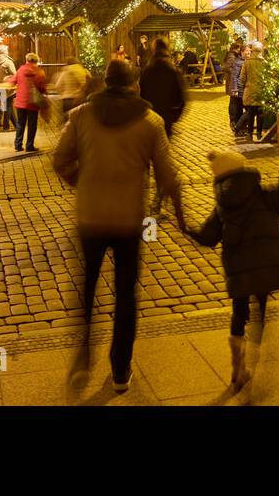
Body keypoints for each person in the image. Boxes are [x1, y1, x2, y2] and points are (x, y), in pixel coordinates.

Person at [52, 60, 183, 394]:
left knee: (87, 287)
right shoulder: (150, 121)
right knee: (126, 295)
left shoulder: (80, 115)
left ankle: (84, 347)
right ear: (133, 85)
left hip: (90, 216)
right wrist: (183, 218)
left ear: (104, 83)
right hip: (128, 220)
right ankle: (121, 367)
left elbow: (59, 160)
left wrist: (81, 181)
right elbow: (169, 176)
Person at [186, 151, 279, 394]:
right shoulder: (263, 195)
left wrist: (187, 229)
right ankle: (254, 359)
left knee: (239, 312)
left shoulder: (222, 206)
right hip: (265, 266)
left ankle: (238, 366)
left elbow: (208, 237)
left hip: (239, 272)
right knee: (260, 310)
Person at [139, 39, 188, 216]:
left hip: (147, 120)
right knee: (162, 163)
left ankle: (145, 203)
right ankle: (157, 203)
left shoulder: (147, 70)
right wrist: (172, 117)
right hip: (165, 122)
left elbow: (140, 95)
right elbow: (182, 99)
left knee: (145, 163)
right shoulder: (172, 70)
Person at [11, 52, 48, 153]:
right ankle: (29, 146)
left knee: (20, 123)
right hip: (33, 102)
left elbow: (12, 81)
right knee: (32, 125)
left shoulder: (20, 70)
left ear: (26, 60)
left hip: (20, 102)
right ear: (36, 61)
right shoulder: (40, 72)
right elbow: (42, 87)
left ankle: (18, 145)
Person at [234, 43, 264, 142]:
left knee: (251, 113)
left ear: (252, 51)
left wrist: (241, 89)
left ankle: (249, 134)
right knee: (260, 113)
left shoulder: (247, 62)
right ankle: (259, 134)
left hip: (250, 91)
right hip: (261, 91)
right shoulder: (264, 62)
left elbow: (242, 78)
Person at [0, 43, 17, 131]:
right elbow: (15, 74)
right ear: (5, 52)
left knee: (7, 105)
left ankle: (17, 126)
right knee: (8, 106)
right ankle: (6, 126)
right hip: (8, 87)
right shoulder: (8, 62)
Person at [222, 41, 244, 129]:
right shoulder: (232, 56)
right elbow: (227, 67)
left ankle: (235, 120)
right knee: (234, 102)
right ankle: (233, 120)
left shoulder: (232, 55)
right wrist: (236, 72)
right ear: (236, 49)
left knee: (235, 102)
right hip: (232, 82)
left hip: (232, 82)